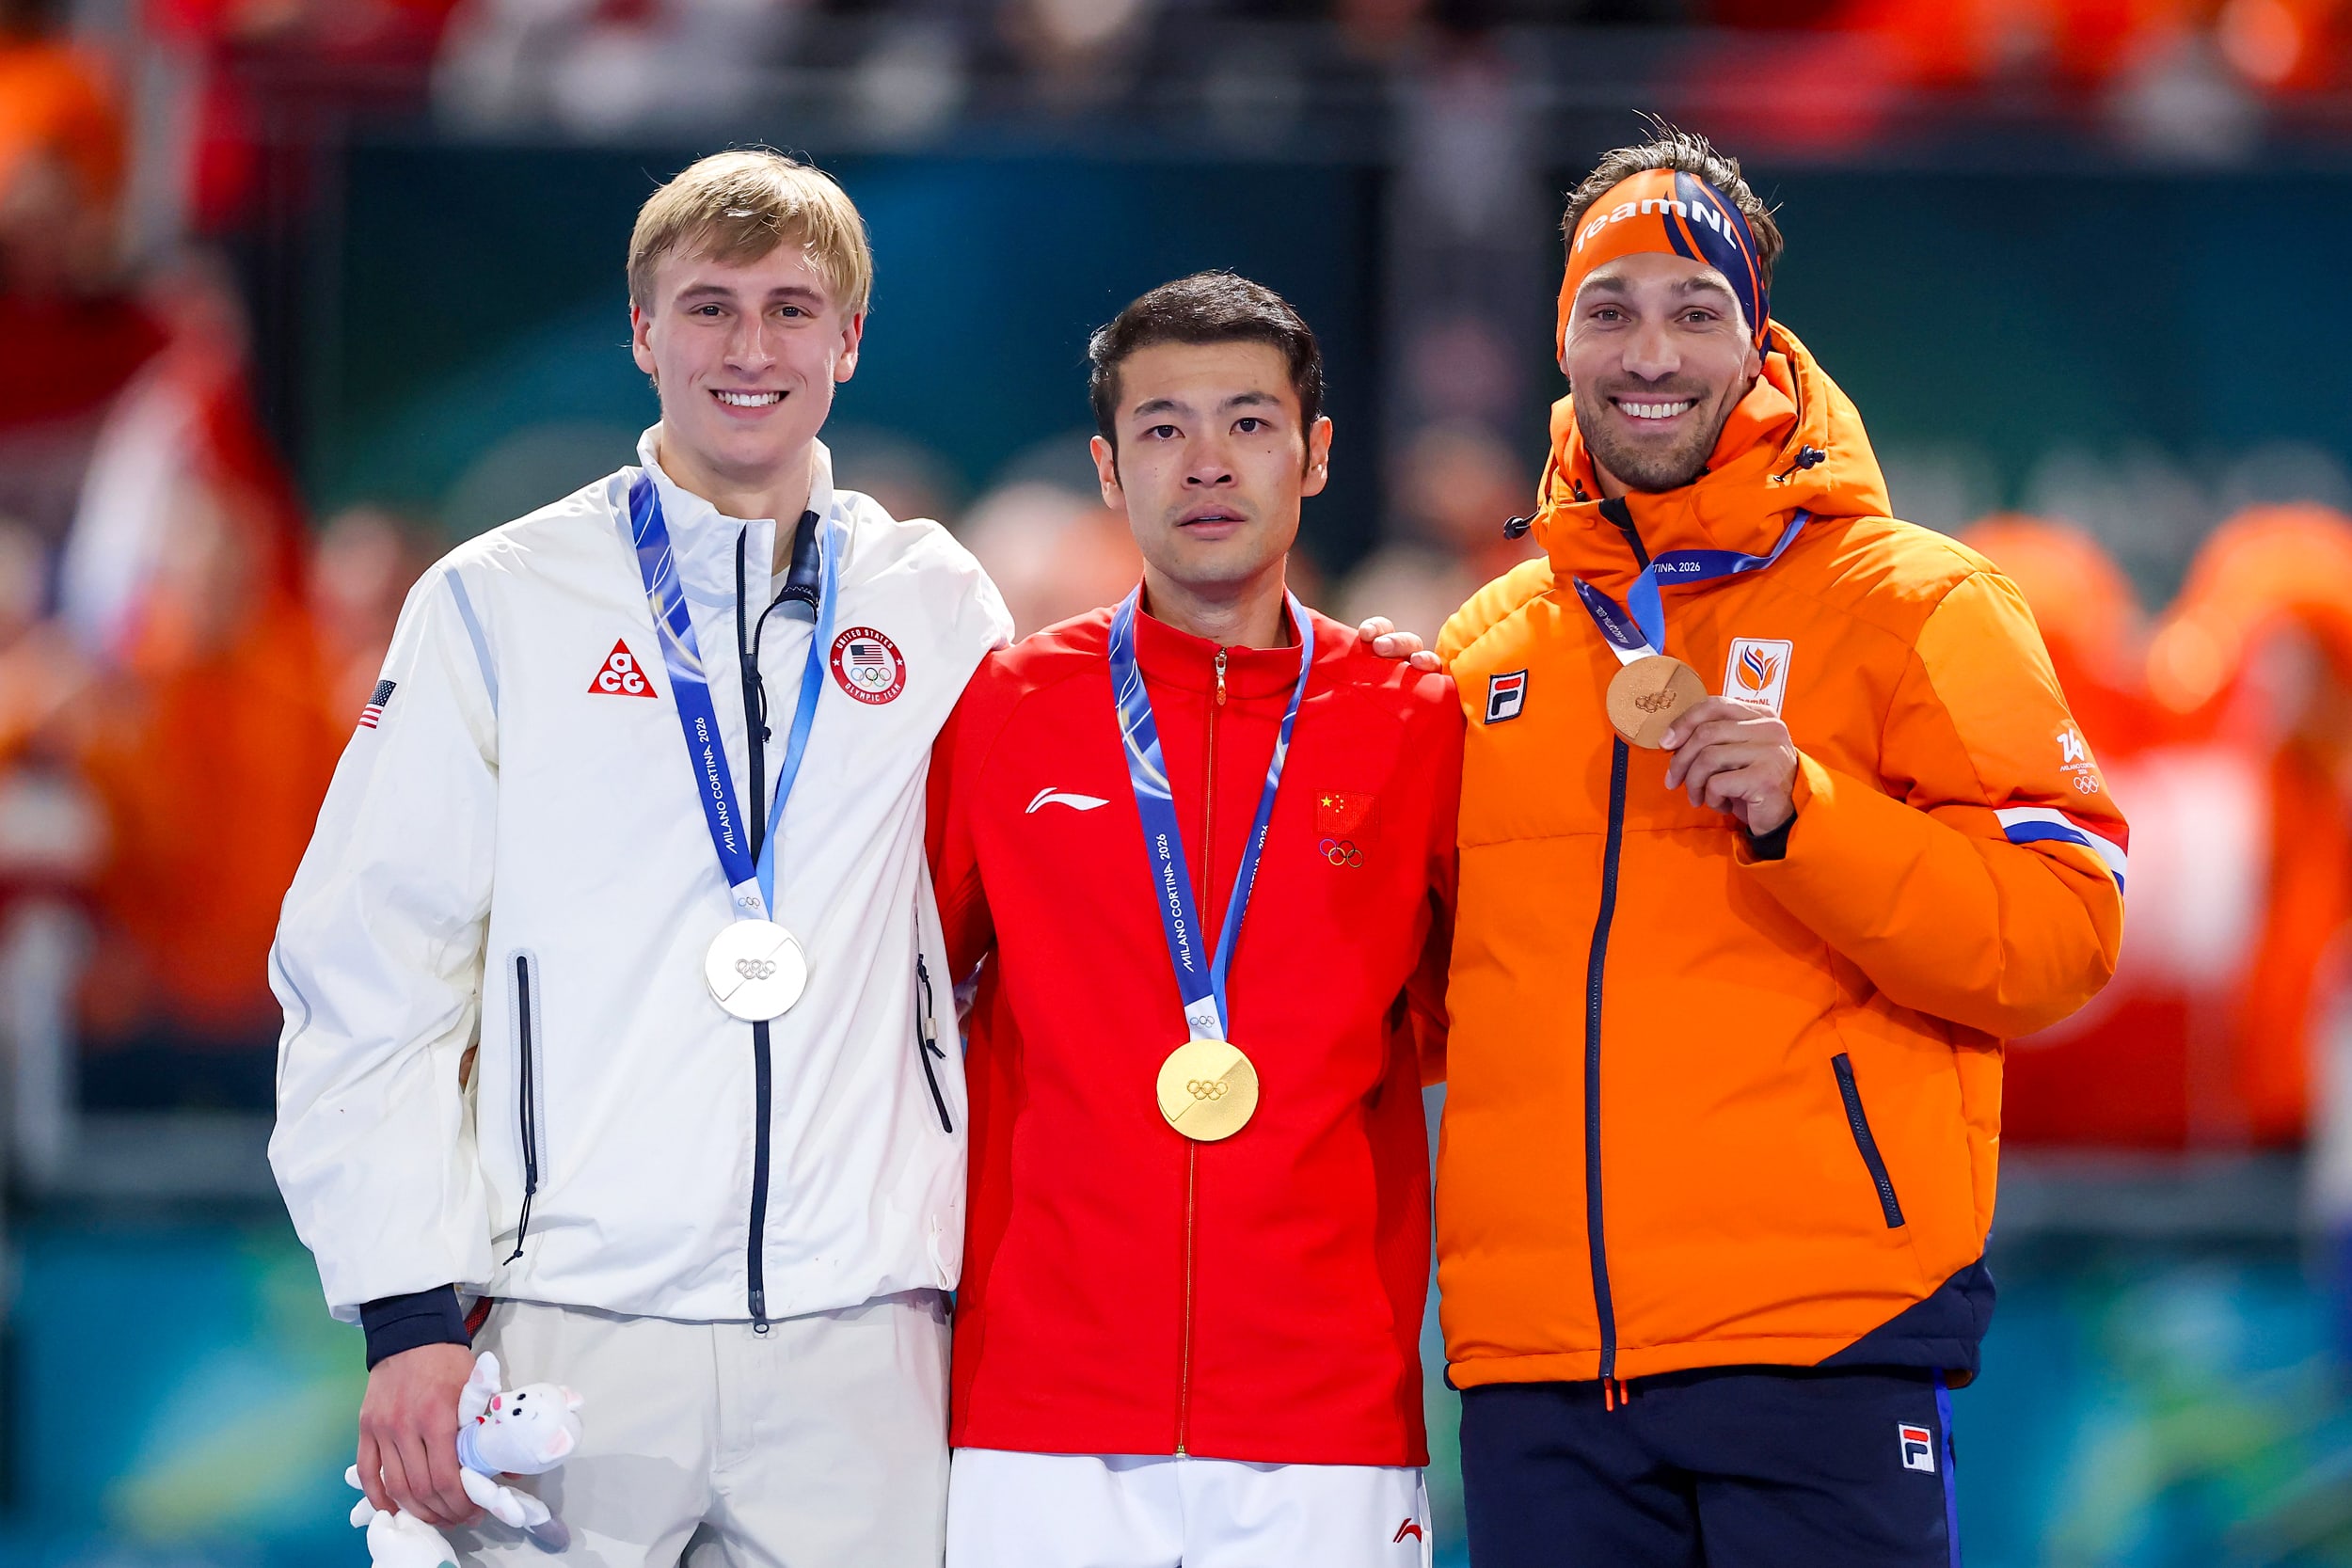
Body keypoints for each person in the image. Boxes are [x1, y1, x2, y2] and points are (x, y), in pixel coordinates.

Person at [268, 150, 1012, 1566]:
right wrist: (409, 1314)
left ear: (850, 341)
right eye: (709, 306)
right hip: (574, 1328)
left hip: (867, 1337)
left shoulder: (937, 607)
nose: (751, 348)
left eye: (793, 308)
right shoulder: (498, 605)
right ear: (640, 333)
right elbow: (367, 974)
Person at [1433, 127, 2129, 1565]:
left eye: (1697, 312)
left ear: (1758, 342)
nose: (1652, 351)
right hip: (1542, 1369)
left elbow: (2066, 935)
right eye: (1609, 307)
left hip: (1823, 1343)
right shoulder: (1486, 651)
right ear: (1559, 334)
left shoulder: (1919, 604)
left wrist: (1812, 815)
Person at [927, 272, 1460, 1567]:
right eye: (1163, 429)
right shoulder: (1008, 709)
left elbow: (1468, 1015)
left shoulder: (1415, 719)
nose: (1207, 465)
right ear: (1110, 470)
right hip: (1040, 1406)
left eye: (1250, 424)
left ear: (1316, 454)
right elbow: (910, 1007)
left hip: (1326, 1406)